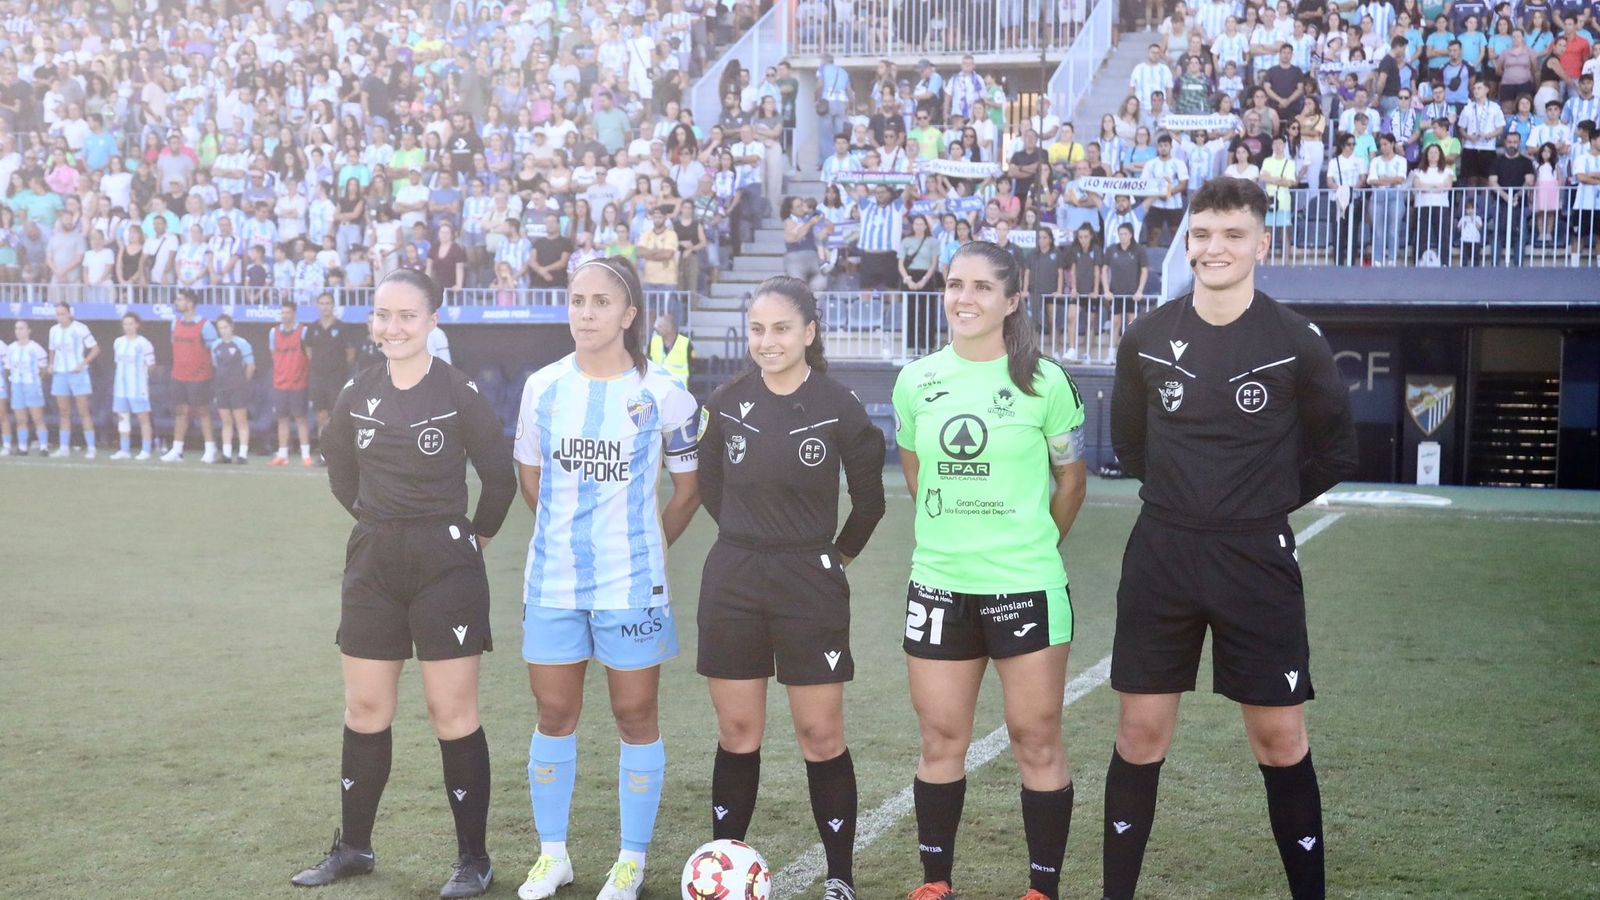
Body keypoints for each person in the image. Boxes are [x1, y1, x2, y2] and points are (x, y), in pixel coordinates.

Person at [1104, 177, 1357, 900]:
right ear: (1189, 242)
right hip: (1163, 554)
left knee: (1279, 741)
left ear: (1261, 244)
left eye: (1233, 235)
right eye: (1204, 234)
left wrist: (1261, 500)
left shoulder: (1294, 339)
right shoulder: (1147, 337)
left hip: (1256, 558)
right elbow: (1130, 447)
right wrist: (1192, 498)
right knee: (1139, 736)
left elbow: (1336, 450)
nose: (1216, 248)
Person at [292, 268, 516, 899]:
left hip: (446, 566)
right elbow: (341, 470)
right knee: (365, 710)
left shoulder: (458, 391)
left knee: (452, 713)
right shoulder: (357, 393)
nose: (393, 328)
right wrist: (374, 521)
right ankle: (355, 848)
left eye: (407, 316)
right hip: (373, 562)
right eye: (383, 316)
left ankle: (473, 859)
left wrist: (476, 538)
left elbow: (497, 477)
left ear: (432, 321)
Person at [891, 241, 1088, 900]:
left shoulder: (1045, 382)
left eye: (980, 286)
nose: (964, 298)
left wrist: (1028, 546)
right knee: (941, 737)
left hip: (1025, 587)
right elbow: (919, 479)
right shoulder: (916, 381)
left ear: (1011, 299)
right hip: (941, 586)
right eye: (954, 284)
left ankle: (1041, 889)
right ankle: (935, 883)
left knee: (1036, 738)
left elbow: (1070, 482)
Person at [513, 256, 702, 900]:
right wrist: (573, 537)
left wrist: (645, 545)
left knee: (634, 713)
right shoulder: (542, 387)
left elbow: (688, 488)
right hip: (554, 581)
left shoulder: (665, 393)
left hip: (633, 584)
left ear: (629, 315)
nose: (585, 313)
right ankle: (552, 855)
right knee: (554, 711)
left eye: (600, 302)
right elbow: (531, 478)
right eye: (576, 300)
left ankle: (630, 859)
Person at [695, 276, 886, 900]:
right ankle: (727, 867)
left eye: (781, 328)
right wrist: (751, 542)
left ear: (809, 333)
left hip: (810, 583)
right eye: (757, 329)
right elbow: (711, 489)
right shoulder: (725, 402)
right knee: (737, 733)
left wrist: (831, 559)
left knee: (820, 734)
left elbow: (870, 502)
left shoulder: (838, 403)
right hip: (734, 579)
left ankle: (840, 876)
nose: (767, 341)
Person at [160, 290, 220, 463]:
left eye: (180, 300)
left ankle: (210, 449)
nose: (176, 302)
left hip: (200, 377)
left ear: (190, 303)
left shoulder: (205, 325)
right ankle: (177, 449)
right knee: (180, 412)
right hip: (179, 375)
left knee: (203, 412)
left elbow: (214, 351)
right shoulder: (175, 323)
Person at [305, 292, 357, 453]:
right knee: (321, 416)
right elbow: (308, 350)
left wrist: (338, 368)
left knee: (336, 416)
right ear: (317, 306)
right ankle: (324, 453)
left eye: (328, 303)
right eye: (322, 303)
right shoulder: (312, 328)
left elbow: (351, 353)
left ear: (333, 306)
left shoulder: (342, 327)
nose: (325, 306)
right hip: (318, 377)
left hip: (336, 378)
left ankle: (338, 454)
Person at [47, 301, 99, 458]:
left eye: (62, 313)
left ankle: (91, 448)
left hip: (78, 374)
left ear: (69, 313)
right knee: (63, 412)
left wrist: (82, 364)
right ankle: (64, 448)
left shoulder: (80, 328)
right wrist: (51, 364)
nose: (60, 317)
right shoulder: (53, 330)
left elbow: (95, 349)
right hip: (60, 374)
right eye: (57, 314)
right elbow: (52, 350)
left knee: (83, 411)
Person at [269, 300, 314, 467]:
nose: (285, 315)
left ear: (294, 314)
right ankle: (282, 454)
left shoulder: (303, 332)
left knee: (301, 419)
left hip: (298, 384)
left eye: (288, 312)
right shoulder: (273, 333)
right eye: (282, 312)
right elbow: (273, 355)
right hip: (280, 383)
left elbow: (310, 356)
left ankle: (305, 455)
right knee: (282, 419)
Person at [110, 312, 157, 460]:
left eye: (131, 324)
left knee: (143, 418)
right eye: (125, 324)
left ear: (137, 325)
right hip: (121, 388)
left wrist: (143, 378)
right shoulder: (118, 342)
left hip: (137, 387)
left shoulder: (143, 343)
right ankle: (124, 450)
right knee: (123, 417)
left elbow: (151, 365)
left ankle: (146, 450)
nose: (128, 327)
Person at [210, 314, 255, 464]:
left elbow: (250, 365)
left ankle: (242, 454)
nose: (223, 331)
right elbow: (216, 365)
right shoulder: (215, 345)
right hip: (221, 388)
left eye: (225, 327)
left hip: (238, 388)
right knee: (226, 421)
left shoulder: (242, 344)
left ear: (232, 327)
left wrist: (242, 382)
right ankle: (227, 454)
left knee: (241, 421)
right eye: (220, 328)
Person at [7, 320, 48, 455]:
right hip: (17, 385)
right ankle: (22, 447)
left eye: (22, 328)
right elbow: (8, 368)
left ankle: (43, 447)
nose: (19, 331)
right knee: (20, 419)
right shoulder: (11, 348)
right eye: (16, 328)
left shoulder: (35, 348)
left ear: (29, 330)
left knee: (37, 417)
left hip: (32, 385)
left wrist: (35, 380)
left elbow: (44, 368)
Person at [648, 313, 693, 386]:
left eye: (660, 327)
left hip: (679, 388)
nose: (656, 330)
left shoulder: (685, 343)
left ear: (669, 328)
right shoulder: (654, 342)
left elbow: (693, 366)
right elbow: (648, 362)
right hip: (658, 386)